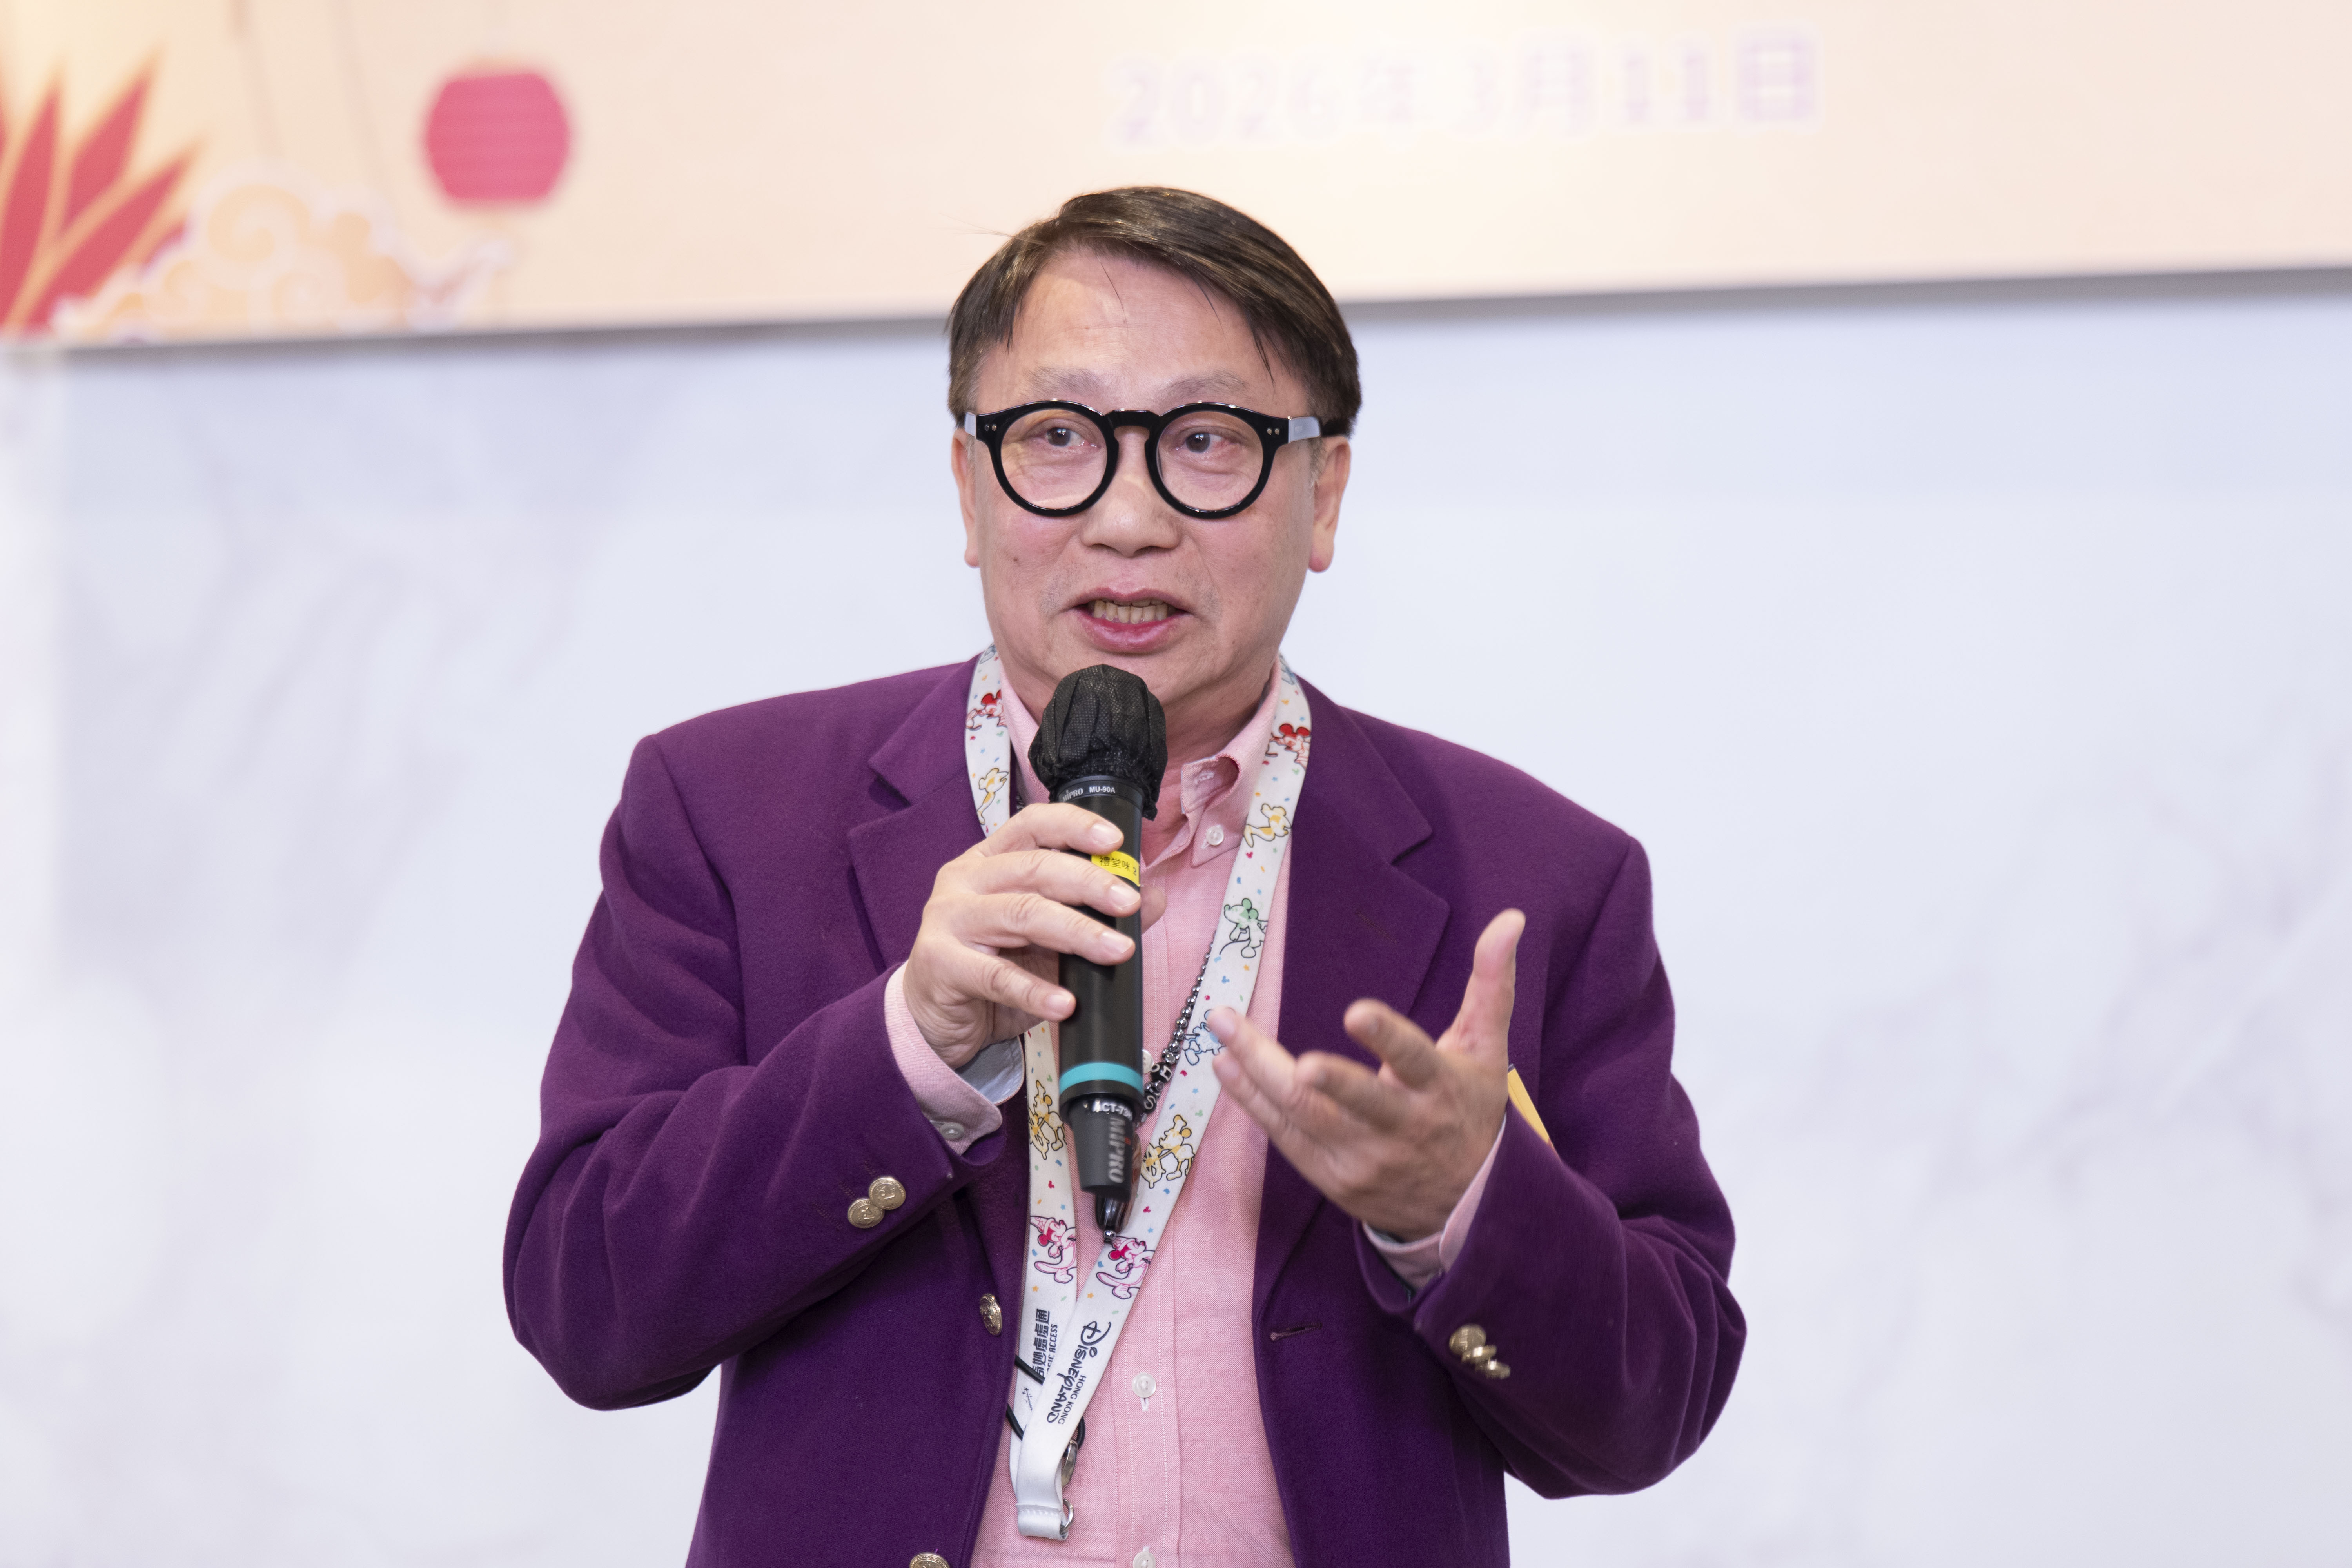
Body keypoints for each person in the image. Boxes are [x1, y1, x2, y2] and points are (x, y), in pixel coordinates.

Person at [505, 187, 1741, 1568]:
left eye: (1206, 441)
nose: (1130, 518)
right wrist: (903, 1047)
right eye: (1058, 438)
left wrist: (1464, 1208)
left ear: (1324, 494)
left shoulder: (1535, 873)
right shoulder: (734, 813)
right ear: (969, 487)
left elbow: (1655, 1409)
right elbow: (585, 1310)